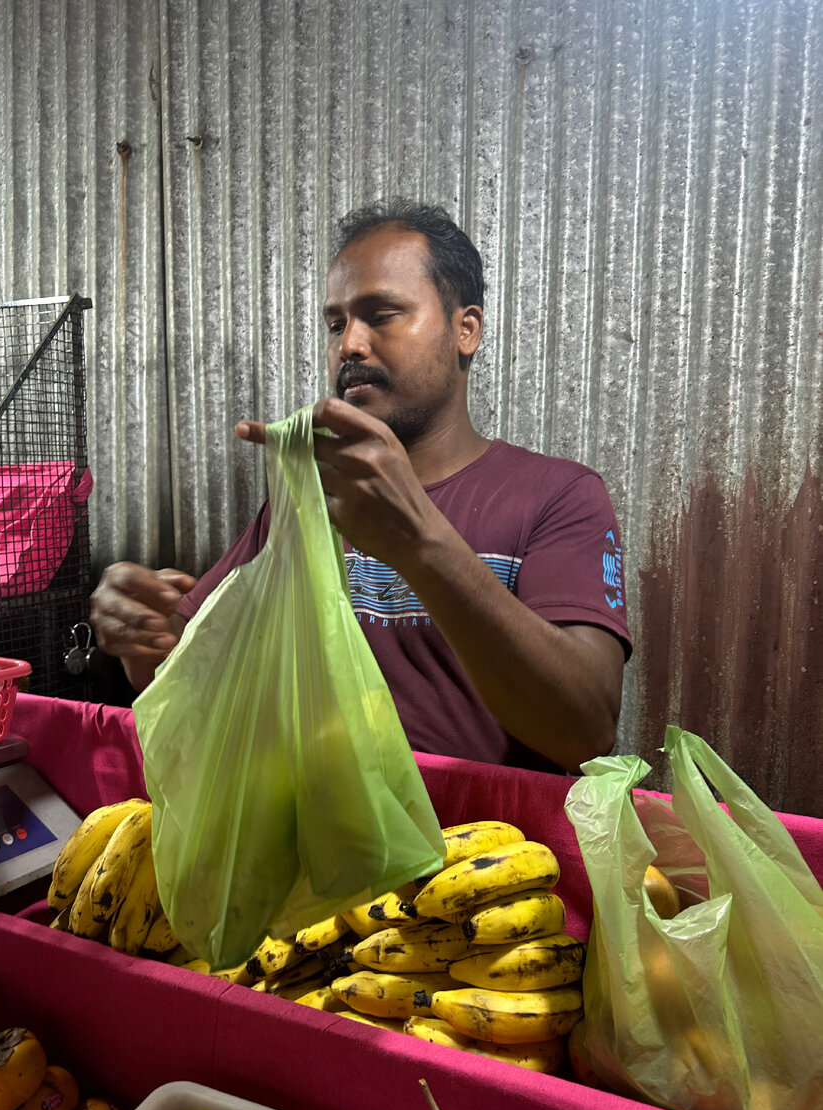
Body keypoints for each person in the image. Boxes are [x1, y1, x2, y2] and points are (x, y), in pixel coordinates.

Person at [90, 199, 631, 774]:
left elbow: (586, 730)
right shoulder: (309, 502)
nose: (349, 344)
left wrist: (423, 543)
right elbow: (184, 679)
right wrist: (139, 635)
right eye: (335, 323)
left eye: (382, 315)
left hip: (492, 854)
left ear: (465, 329)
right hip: (324, 848)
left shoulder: (558, 496)